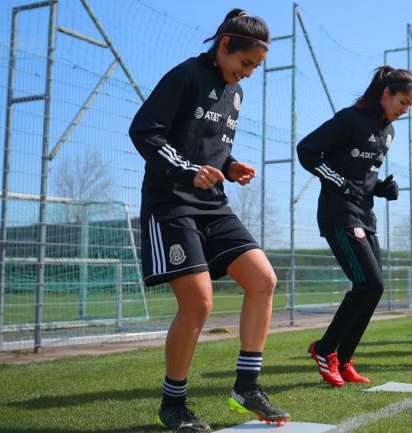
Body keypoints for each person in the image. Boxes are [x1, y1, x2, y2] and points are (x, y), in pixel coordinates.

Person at [129, 9, 289, 430]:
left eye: (256, 67)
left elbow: (207, 146)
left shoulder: (235, 92)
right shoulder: (184, 75)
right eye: (246, 63)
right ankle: (174, 403)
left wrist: (230, 165)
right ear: (224, 46)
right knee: (199, 302)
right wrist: (186, 172)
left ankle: (247, 386)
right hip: (172, 202)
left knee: (264, 279)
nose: (249, 73)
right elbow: (145, 131)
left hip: (213, 203)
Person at [298, 66, 412, 386]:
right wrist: (339, 183)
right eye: (403, 102)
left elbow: (363, 177)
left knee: (373, 290)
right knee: (369, 283)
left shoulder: (388, 132)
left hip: (366, 215)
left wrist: (381, 188)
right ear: (386, 93)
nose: (405, 110)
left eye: (410, 105)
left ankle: (346, 358)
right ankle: (325, 350)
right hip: (339, 214)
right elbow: (307, 150)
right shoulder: (351, 119)